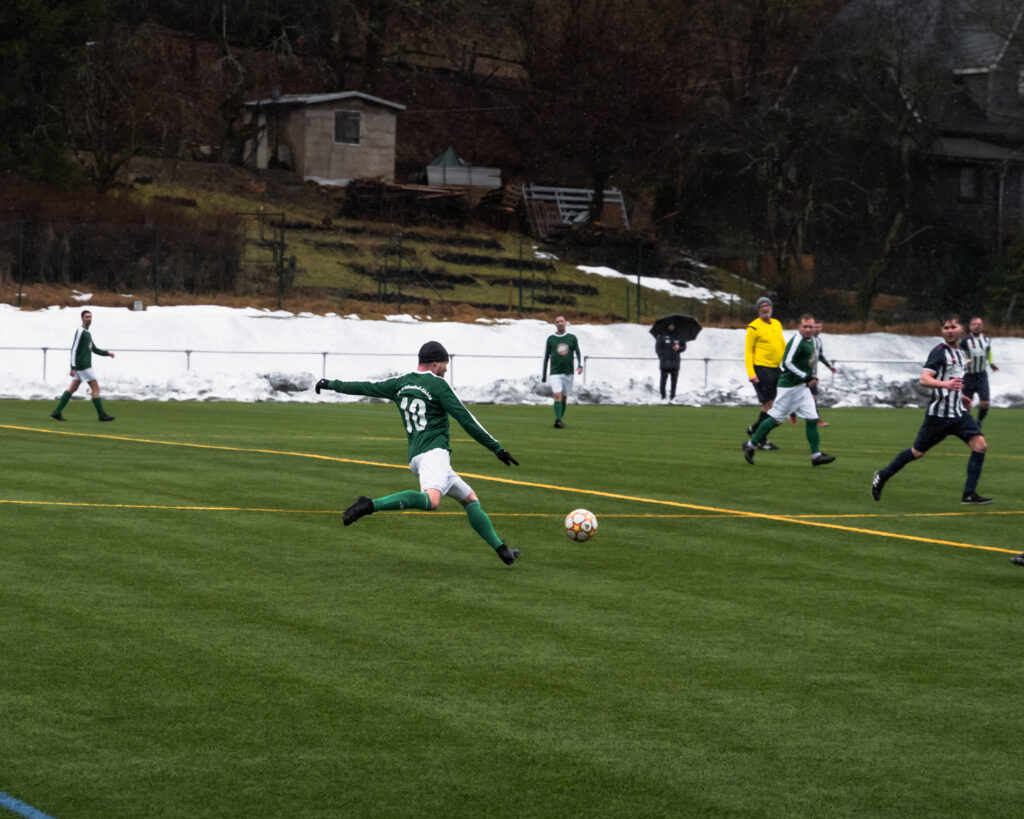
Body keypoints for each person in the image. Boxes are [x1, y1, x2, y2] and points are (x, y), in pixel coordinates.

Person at [314, 341, 521, 566]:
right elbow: (466, 419)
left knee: (470, 499)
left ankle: (502, 551)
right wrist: (497, 448)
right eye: (445, 364)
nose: (446, 369)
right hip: (434, 454)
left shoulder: (400, 383)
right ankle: (369, 504)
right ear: (435, 363)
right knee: (432, 501)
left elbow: (365, 387)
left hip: (417, 457)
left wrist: (331, 384)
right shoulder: (438, 385)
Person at [871, 314, 991, 505]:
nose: (949, 331)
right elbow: (924, 379)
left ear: (961, 329)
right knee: (917, 452)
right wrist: (945, 385)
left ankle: (969, 494)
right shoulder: (939, 352)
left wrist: (962, 397)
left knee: (980, 445)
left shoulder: (961, 352)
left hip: (959, 413)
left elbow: (954, 380)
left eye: (953, 327)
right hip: (938, 416)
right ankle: (883, 475)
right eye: (946, 328)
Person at [742, 313, 835, 467]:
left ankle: (816, 456)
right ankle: (750, 445)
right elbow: (787, 363)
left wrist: (811, 376)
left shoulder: (814, 341)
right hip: (789, 387)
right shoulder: (796, 341)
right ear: (799, 327)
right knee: (776, 420)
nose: (808, 329)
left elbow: (811, 360)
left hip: (802, 387)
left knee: (812, 419)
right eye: (805, 326)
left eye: (810, 327)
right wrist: (805, 376)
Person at [51, 309, 116, 422]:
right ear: (82, 318)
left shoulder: (87, 333)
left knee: (72, 388)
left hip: (81, 366)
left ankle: (57, 412)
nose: (89, 319)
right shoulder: (80, 331)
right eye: (86, 317)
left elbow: (93, 349)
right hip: (83, 366)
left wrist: (107, 353)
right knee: (95, 388)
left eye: (90, 317)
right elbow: (74, 349)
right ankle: (101, 415)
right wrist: (72, 367)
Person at [744, 296, 784, 449]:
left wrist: (788, 362)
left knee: (773, 405)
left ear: (771, 308)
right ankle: (761, 440)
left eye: (767, 305)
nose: (765, 308)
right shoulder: (753, 327)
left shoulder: (777, 323)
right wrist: (751, 373)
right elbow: (748, 351)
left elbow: (781, 344)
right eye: (762, 306)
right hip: (761, 369)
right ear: (758, 309)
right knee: (770, 405)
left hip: (776, 368)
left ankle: (755, 430)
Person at [542, 315, 583, 428]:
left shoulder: (572, 338)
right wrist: (544, 374)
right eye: (557, 321)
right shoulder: (551, 339)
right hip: (555, 372)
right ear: (555, 324)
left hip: (568, 372)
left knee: (564, 397)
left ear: (565, 323)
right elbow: (546, 356)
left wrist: (580, 365)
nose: (560, 323)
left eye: (561, 321)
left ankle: (559, 419)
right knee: (557, 394)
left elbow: (578, 352)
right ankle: (558, 420)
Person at [960, 316, 998, 428]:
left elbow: (988, 353)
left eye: (979, 324)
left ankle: (979, 422)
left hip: (981, 375)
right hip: (968, 376)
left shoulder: (986, 339)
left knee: (985, 403)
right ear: (970, 326)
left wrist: (991, 364)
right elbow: (960, 355)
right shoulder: (965, 341)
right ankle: (966, 423)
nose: (977, 326)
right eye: (974, 324)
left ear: (982, 326)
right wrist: (966, 360)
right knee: (966, 404)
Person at [655, 323, 685, 403]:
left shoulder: (678, 336)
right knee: (663, 381)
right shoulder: (661, 336)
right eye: (670, 325)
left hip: (675, 363)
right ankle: (663, 397)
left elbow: (683, 347)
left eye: (673, 325)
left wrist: (679, 348)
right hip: (665, 363)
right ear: (667, 326)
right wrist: (662, 358)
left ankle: (672, 397)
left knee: (674, 382)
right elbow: (658, 349)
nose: (672, 327)